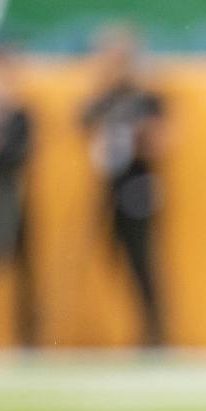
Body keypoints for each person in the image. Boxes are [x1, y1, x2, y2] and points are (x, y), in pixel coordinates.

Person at [79, 25, 167, 346]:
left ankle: (154, 331)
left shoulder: (146, 98)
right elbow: (82, 122)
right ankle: (127, 329)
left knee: (143, 259)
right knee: (113, 256)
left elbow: (163, 140)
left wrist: (141, 136)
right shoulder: (104, 99)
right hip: (109, 189)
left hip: (138, 186)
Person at [0, 45, 36, 345]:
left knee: (22, 268)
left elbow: (20, 153)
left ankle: (27, 336)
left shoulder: (20, 115)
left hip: (11, 197)